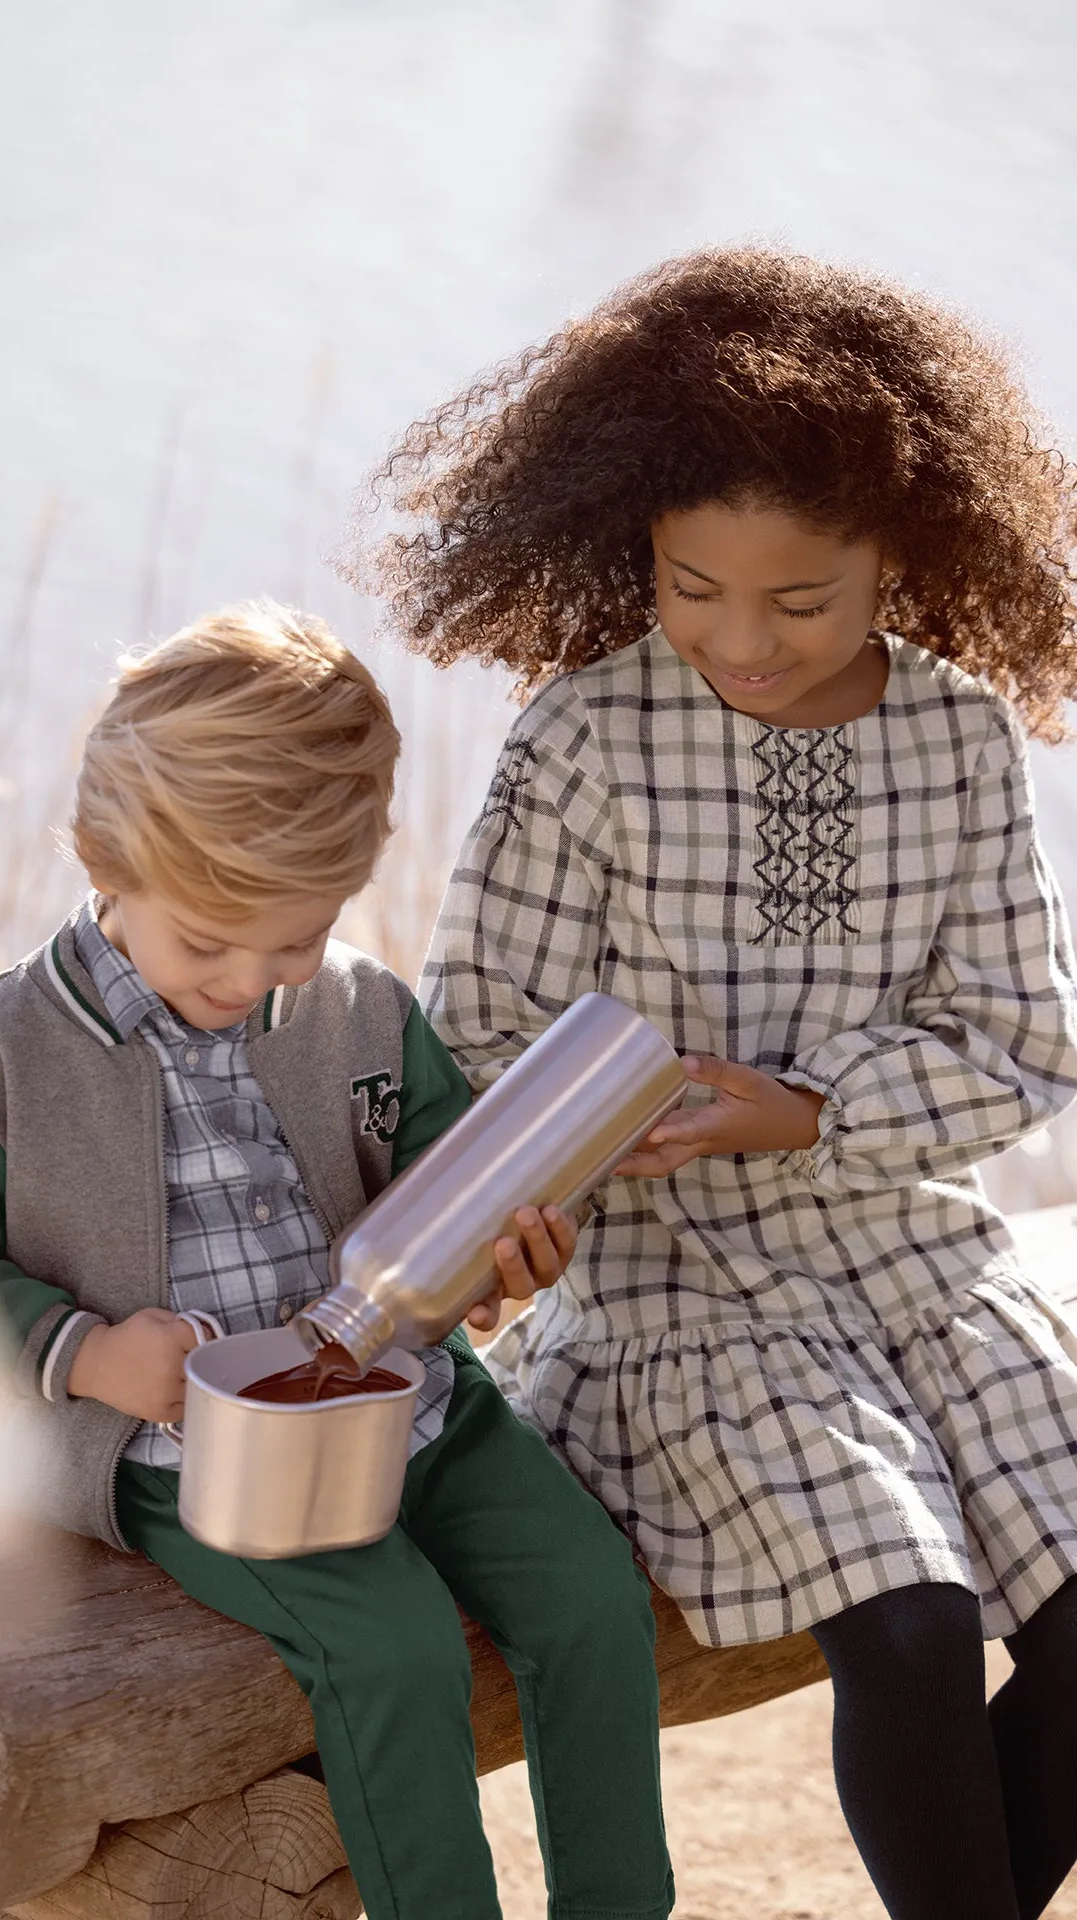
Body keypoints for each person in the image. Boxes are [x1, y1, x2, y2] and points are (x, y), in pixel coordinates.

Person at [353, 248, 1077, 1920]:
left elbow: (1027, 1045)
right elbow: (482, 1039)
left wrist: (815, 1109)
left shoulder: (962, 742)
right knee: (905, 1623)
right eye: (691, 586)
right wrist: (562, 1176)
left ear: (907, 554)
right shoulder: (585, 741)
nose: (739, 641)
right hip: (682, 1292)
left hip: (920, 1260)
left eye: (800, 601)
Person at [0, 602, 674, 1920]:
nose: (251, 976)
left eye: (294, 938)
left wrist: (510, 1253)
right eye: (207, 942)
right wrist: (82, 1353)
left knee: (593, 1599)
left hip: (419, 1408)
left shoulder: (362, 1008)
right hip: (202, 1458)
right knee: (398, 1646)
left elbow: (452, 1184)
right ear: (103, 860)